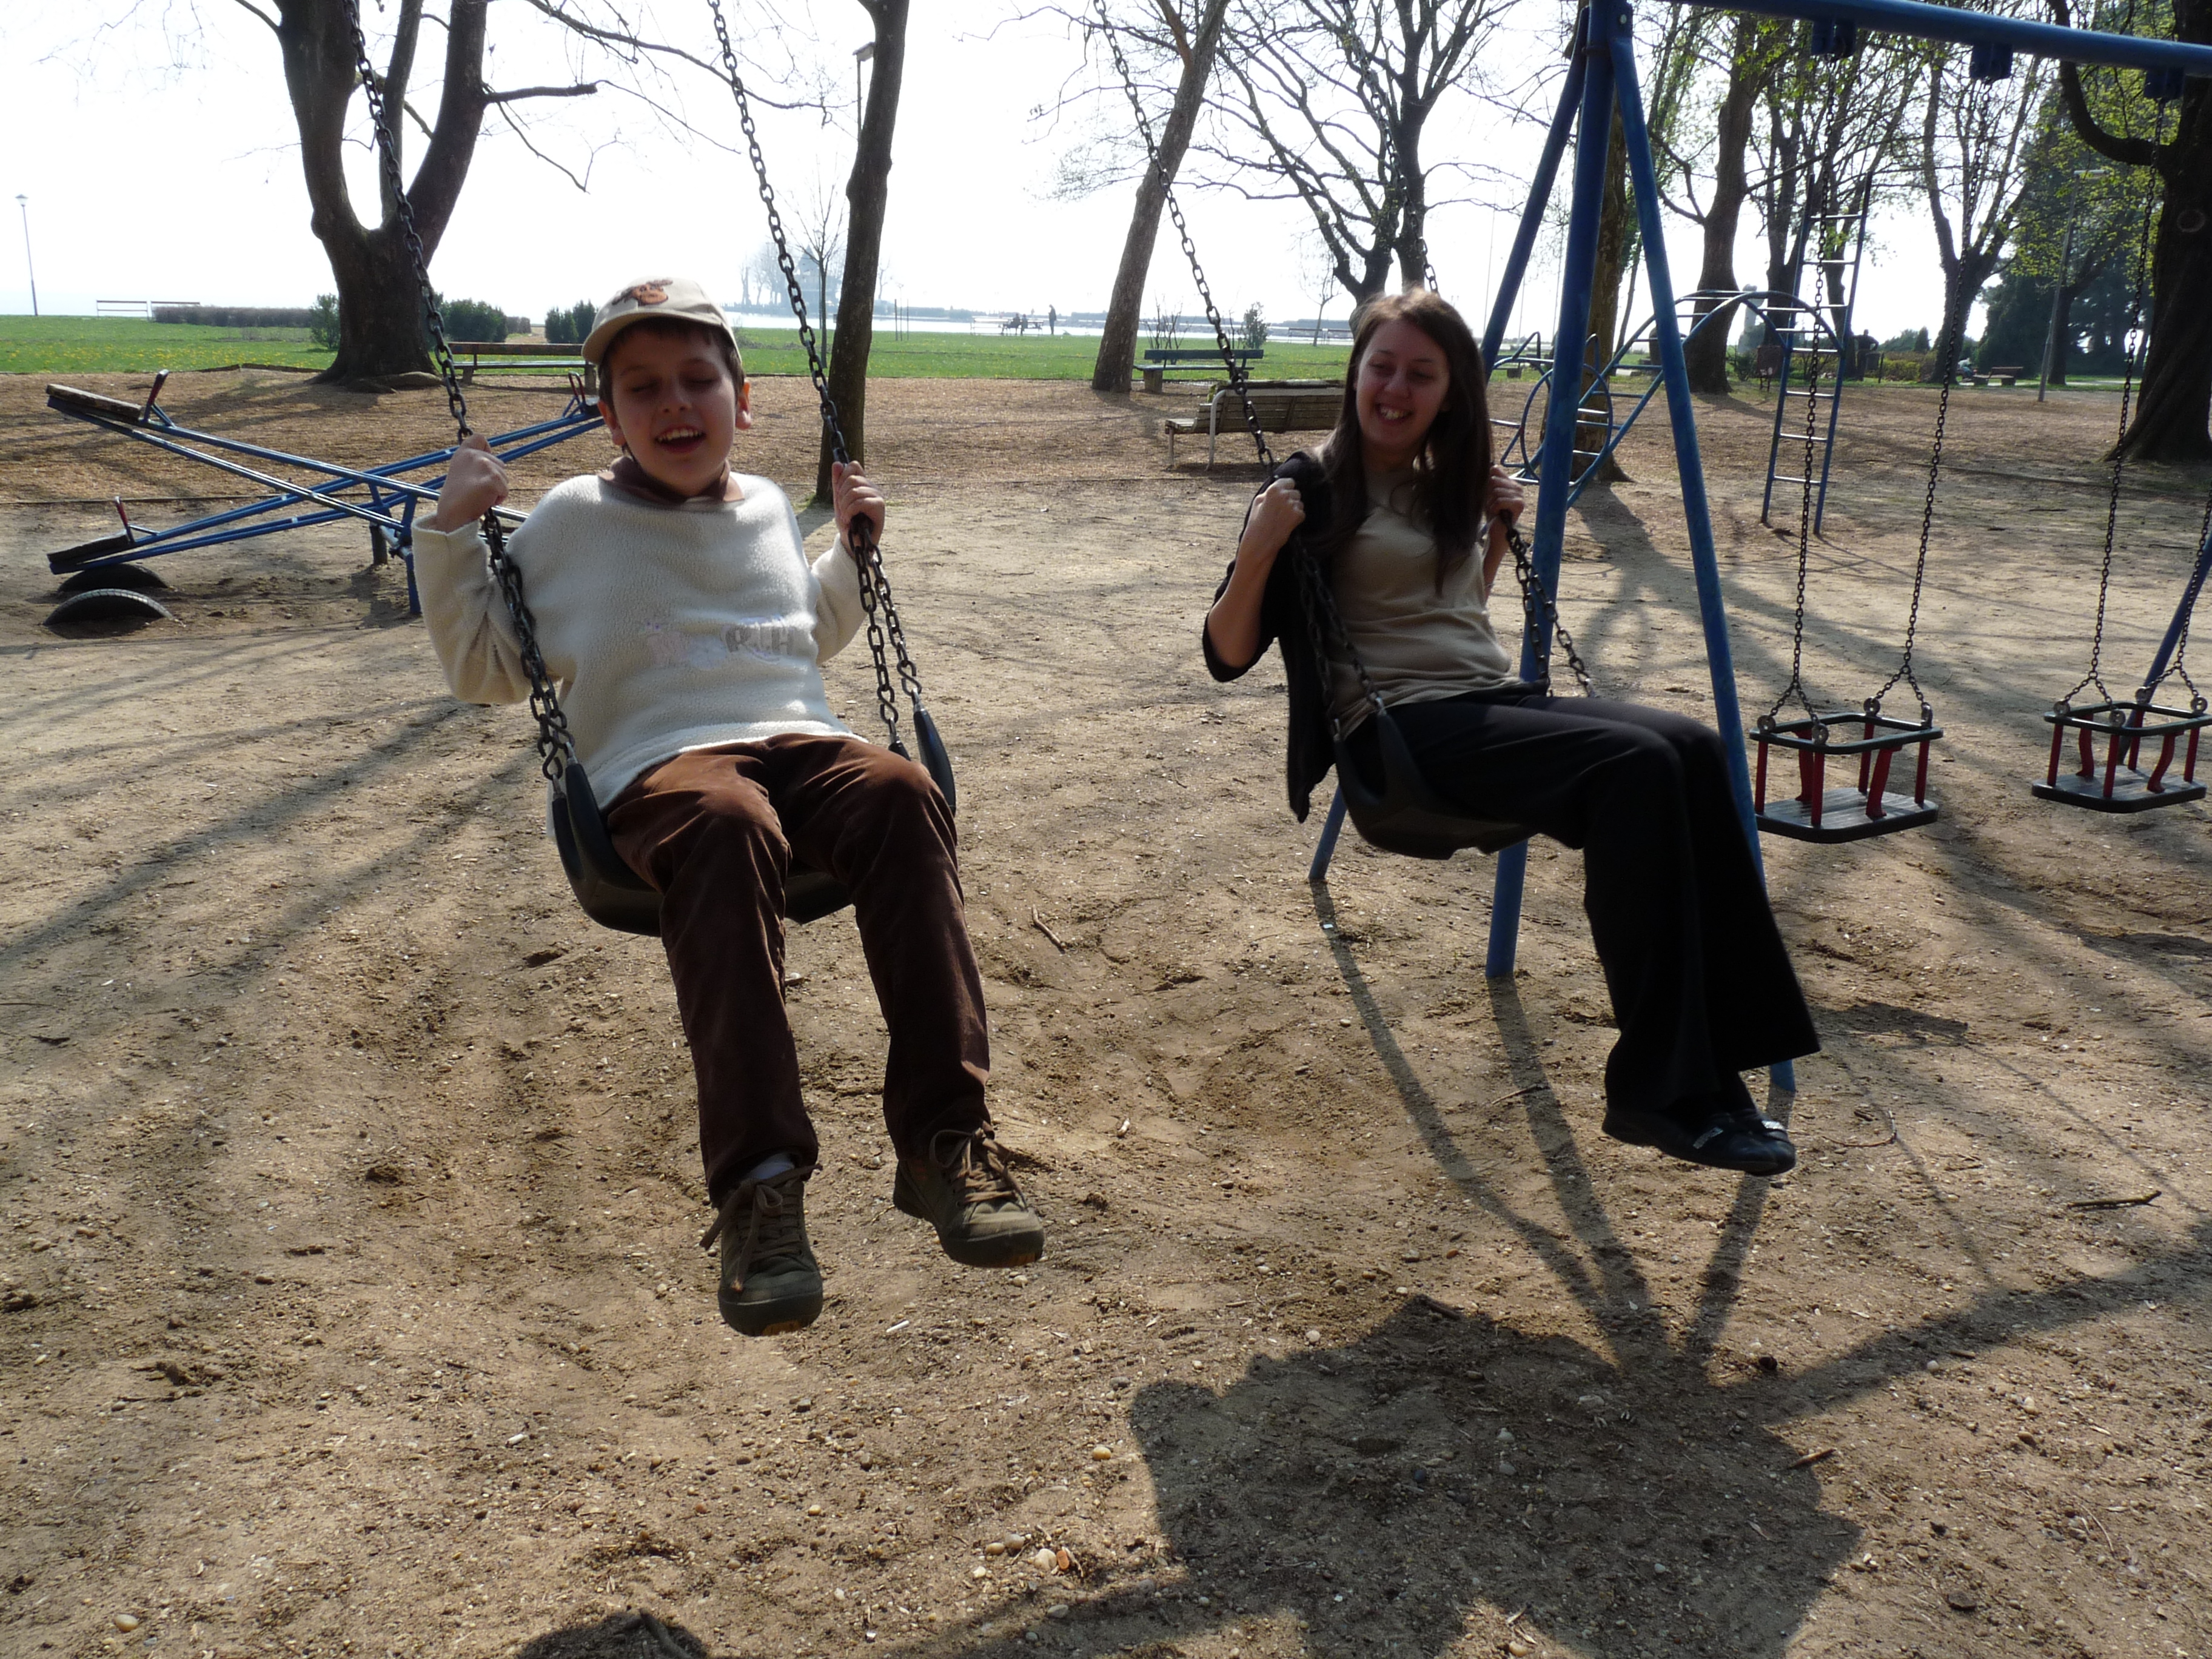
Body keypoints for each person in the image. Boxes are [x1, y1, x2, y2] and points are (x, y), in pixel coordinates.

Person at [414, 277, 1043, 1336]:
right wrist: (448, 530)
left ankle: (945, 1146)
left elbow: (798, 636)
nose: (675, 404)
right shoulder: (572, 521)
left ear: (740, 401)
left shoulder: (763, 509)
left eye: (697, 380)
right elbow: (486, 668)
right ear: (608, 414)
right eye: (643, 387)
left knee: (901, 791)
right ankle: (759, 1184)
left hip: (801, 742)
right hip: (664, 769)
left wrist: (850, 552)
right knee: (728, 822)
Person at [1202, 288, 1818, 1176]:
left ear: (1450, 391)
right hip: (1399, 736)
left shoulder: (1441, 485)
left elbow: (1446, 617)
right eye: (1382, 367)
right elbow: (1227, 654)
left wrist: (1494, 537)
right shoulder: (1308, 488)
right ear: (1356, 373)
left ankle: (1718, 1074)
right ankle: (1659, 1092)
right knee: (1636, 770)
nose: (1396, 389)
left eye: (1421, 374)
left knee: (1691, 747)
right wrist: (1261, 544)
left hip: (1483, 700)